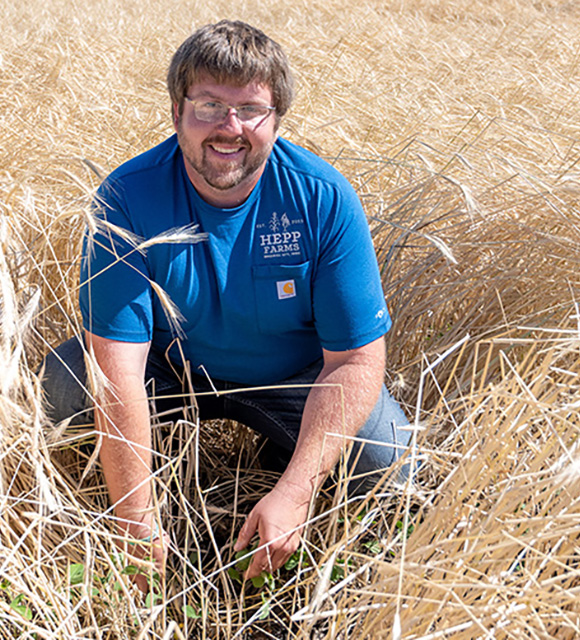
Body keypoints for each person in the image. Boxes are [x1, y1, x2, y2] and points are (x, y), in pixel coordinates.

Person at [42, 19, 413, 585]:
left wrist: (295, 492)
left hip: (292, 379)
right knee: (62, 388)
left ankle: (278, 464)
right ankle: (124, 489)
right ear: (176, 111)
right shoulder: (126, 197)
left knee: (388, 457)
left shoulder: (323, 198)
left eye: (251, 109)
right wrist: (136, 518)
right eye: (210, 105)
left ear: (277, 119)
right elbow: (117, 366)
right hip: (169, 373)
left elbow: (357, 360)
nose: (229, 128)